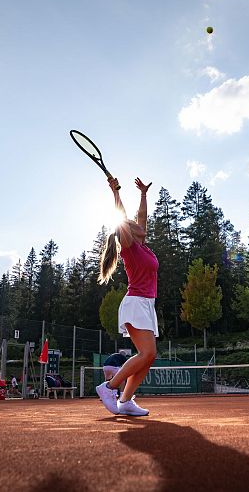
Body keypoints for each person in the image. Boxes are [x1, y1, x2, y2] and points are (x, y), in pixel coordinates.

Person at [95, 177, 158, 417]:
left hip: (146, 304)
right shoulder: (130, 246)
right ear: (129, 231)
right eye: (135, 224)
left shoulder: (143, 246)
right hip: (135, 304)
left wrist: (143, 194)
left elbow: (141, 217)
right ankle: (109, 388)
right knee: (146, 353)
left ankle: (125, 400)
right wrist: (116, 191)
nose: (142, 224)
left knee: (149, 356)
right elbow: (122, 217)